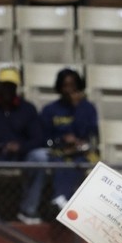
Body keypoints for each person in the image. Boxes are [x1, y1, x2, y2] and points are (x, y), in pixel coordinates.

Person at [0, 66, 49, 225]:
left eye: (11, 86)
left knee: (41, 156)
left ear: (16, 87)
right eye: (4, 85)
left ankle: (28, 210)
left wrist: (20, 146)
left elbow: (38, 139)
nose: (7, 89)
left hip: (20, 155)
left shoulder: (27, 109)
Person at [41, 68, 100, 215]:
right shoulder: (50, 110)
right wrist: (61, 140)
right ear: (60, 87)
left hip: (81, 152)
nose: (69, 89)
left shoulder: (87, 108)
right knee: (61, 163)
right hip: (57, 151)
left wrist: (77, 108)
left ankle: (60, 199)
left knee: (78, 163)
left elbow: (89, 133)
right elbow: (43, 137)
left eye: (72, 85)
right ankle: (62, 199)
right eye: (65, 85)